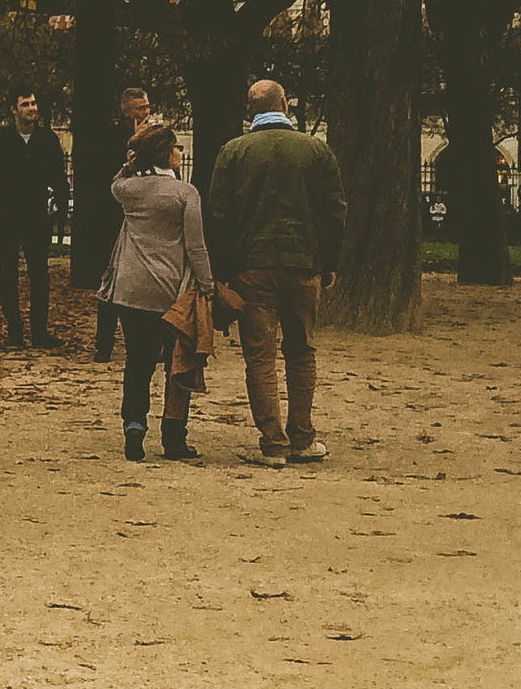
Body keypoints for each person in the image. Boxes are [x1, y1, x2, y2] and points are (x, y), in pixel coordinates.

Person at [207, 79, 346, 469]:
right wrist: (329, 261)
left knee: (260, 356)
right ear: (285, 104)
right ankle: (302, 436)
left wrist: (223, 271)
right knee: (302, 352)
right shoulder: (316, 151)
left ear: (250, 109)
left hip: (252, 266)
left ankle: (273, 443)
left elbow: (219, 216)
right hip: (304, 264)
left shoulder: (233, 152)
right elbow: (334, 211)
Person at [99, 121, 214, 460]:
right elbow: (196, 247)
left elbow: (117, 181)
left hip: (132, 288)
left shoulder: (127, 191)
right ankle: (174, 436)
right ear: (165, 152)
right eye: (176, 147)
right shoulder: (185, 194)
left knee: (137, 361)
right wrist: (207, 285)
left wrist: (130, 163)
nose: (181, 152)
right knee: (177, 364)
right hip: (172, 289)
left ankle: (134, 425)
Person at [0, 87, 70, 348]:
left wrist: (58, 208)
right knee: (7, 273)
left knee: (39, 274)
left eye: (34, 103)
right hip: (7, 215)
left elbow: (59, 177)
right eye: (26, 104)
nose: (32, 108)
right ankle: (14, 331)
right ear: (13, 109)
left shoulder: (47, 139)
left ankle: (39, 332)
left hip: (38, 215)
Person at [91, 86, 155, 362]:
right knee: (110, 281)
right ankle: (103, 343)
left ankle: (153, 342)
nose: (146, 113)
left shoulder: (153, 138)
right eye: (141, 108)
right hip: (113, 218)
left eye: (148, 107)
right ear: (128, 110)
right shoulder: (113, 136)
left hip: (144, 216)